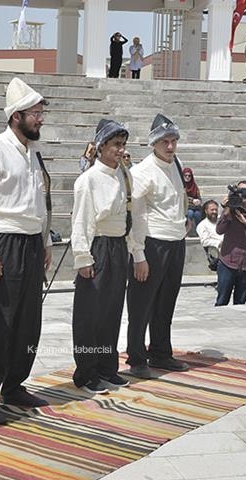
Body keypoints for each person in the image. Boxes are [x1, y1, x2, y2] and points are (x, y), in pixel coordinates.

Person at [0, 77, 52, 424]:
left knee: (28, 322)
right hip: (4, 243)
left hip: (32, 243)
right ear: (16, 115)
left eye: (41, 113)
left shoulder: (33, 153)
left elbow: (40, 203)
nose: (40, 119)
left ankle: (14, 384)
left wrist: (44, 242)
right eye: (35, 113)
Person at [125, 114, 190, 379]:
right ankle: (137, 356)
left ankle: (161, 352)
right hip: (152, 243)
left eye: (174, 140)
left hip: (176, 240)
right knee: (141, 305)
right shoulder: (141, 172)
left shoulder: (176, 164)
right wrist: (138, 253)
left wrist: (184, 222)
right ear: (154, 143)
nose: (171, 147)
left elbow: (180, 197)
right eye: (165, 141)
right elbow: (136, 216)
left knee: (166, 302)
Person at [71, 119, 131, 393]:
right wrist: (83, 257)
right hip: (97, 246)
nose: (120, 150)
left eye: (123, 145)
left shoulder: (122, 175)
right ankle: (87, 371)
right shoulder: (89, 180)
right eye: (116, 145)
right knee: (90, 314)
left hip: (118, 246)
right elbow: (81, 220)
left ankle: (108, 367)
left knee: (111, 311)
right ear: (101, 147)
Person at [197, 200, 222, 272]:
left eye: (216, 210)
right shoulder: (202, 225)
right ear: (206, 211)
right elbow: (204, 242)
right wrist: (220, 243)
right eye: (212, 210)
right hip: (217, 251)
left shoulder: (221, 220)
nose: (214, 212)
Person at [182, 167, 203, 231]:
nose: (187, 177)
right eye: (185, 175)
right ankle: (187, 230)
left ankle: (199, 231)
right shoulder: (181, 185)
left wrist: (199, 201)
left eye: (189, 175)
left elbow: (199, 198)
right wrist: (192, 200)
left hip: (195, 207)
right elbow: (182, 197)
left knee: (197, 214)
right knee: (190, 213)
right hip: (185, 206)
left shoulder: (194, 186)